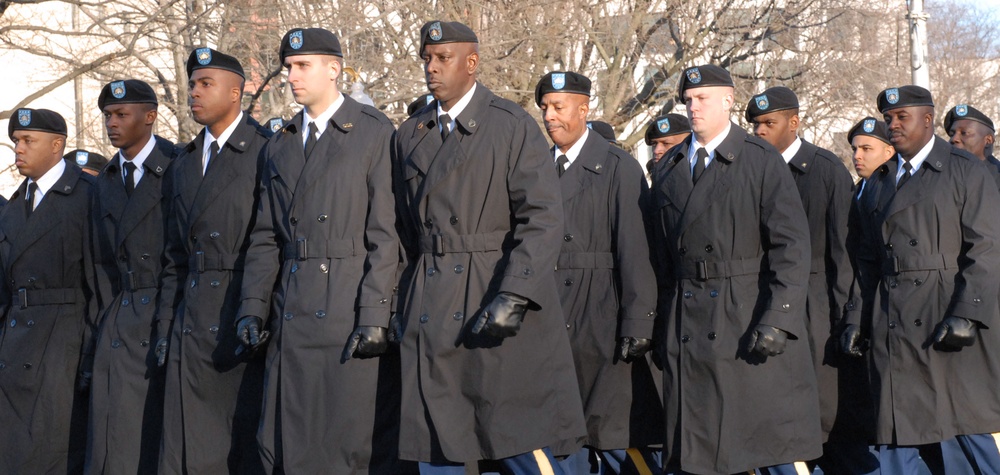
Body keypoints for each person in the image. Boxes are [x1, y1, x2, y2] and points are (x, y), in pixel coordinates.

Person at [394, 20, 586, 473]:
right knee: (438, 446)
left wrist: (515, 293)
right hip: (430, 306)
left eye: (443, 59)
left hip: (491, 295)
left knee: (515, 441)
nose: (431, 68)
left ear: (472, 63)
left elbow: (541, 218)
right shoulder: (410, 133)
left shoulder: (510, 125)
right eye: (427, 59)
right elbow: (400, 231)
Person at [237, 28, 409, 474]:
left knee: (345, 447)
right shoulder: (280, 143)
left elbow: (386, 235)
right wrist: (252, 308)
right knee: (281, 445)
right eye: (288, 68)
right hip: (291, 311)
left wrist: (375, 316)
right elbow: (265, 237)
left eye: (302, 66)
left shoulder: (372, 132)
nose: (290, 76)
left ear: (333, 69)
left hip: (346, 309)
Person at [648, 64, 821, 474]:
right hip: (687, 322)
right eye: (688, 100)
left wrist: (779, 318)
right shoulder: (670, 165)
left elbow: (791, 247)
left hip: (744, 315)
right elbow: (658, 256)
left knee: (766, 447)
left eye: (703, 98)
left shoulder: (759, 159)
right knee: (699, 453)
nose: (693, 107)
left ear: (728, 100)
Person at [841, 85, 1000, 473]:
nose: (892, 125)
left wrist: (968, 313)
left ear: (927, 120)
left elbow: (987, 247)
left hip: (944, 315)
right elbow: (867, 261)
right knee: (896, 433)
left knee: (959, 433)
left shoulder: (965, 169)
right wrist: (856, 318)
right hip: (891, 320)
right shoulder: (879, 180)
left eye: (902, 118)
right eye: (888, 119)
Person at [535, 71, 662, 474]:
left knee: (611, 437)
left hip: (602, 316)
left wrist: (638, 323)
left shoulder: (618, 166)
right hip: (552, 316)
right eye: (544, 108)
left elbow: (636, 252)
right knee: (558, 435)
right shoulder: (536, 166)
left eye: (558, 107)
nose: (549, 116)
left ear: (584, 109)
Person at [154, 47, 269, 474]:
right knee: (189, 449)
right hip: (191, 320)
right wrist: (166, 324)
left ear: (236, 92)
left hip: (240, 316)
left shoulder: (265, 150)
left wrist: (257, 313)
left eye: (205, 84)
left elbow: (271, 242)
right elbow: (174, 258)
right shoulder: (183, 163)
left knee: (238, 448)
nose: (193, 94)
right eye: (192, 85)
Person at [745, 86, 858, 472]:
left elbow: (845, 254)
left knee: (823, 419)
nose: (760, 130)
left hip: (818, 306)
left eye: (769, 123)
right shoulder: (748, 167)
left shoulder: (825, 169)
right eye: (756, 124)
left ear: (793, 123)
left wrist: (848, 316)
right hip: (764, 302)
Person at [0, 108, 97, 473]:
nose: (18, 150)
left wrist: (89, 352)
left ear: (57, 145)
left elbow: (99, 281)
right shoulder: (14, 205)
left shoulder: (88, 195)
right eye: (15, 142)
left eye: (28, 141)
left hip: (63, 345)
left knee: (55, 453)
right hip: (15, 346)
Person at [88, 78, 178, 473]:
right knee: (112, 441)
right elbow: (98, 266)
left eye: (122, 115)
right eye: (108, 115)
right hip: (118, 318)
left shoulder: (179, 166)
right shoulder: (103, 179)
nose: (112, 123)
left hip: (164, 311)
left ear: (150, 117)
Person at [944, 104, 1000, 189]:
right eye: (952, 134)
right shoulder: (941, 174)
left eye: (964, 133)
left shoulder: (996, 177)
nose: (954, 139)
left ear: (988, 140)